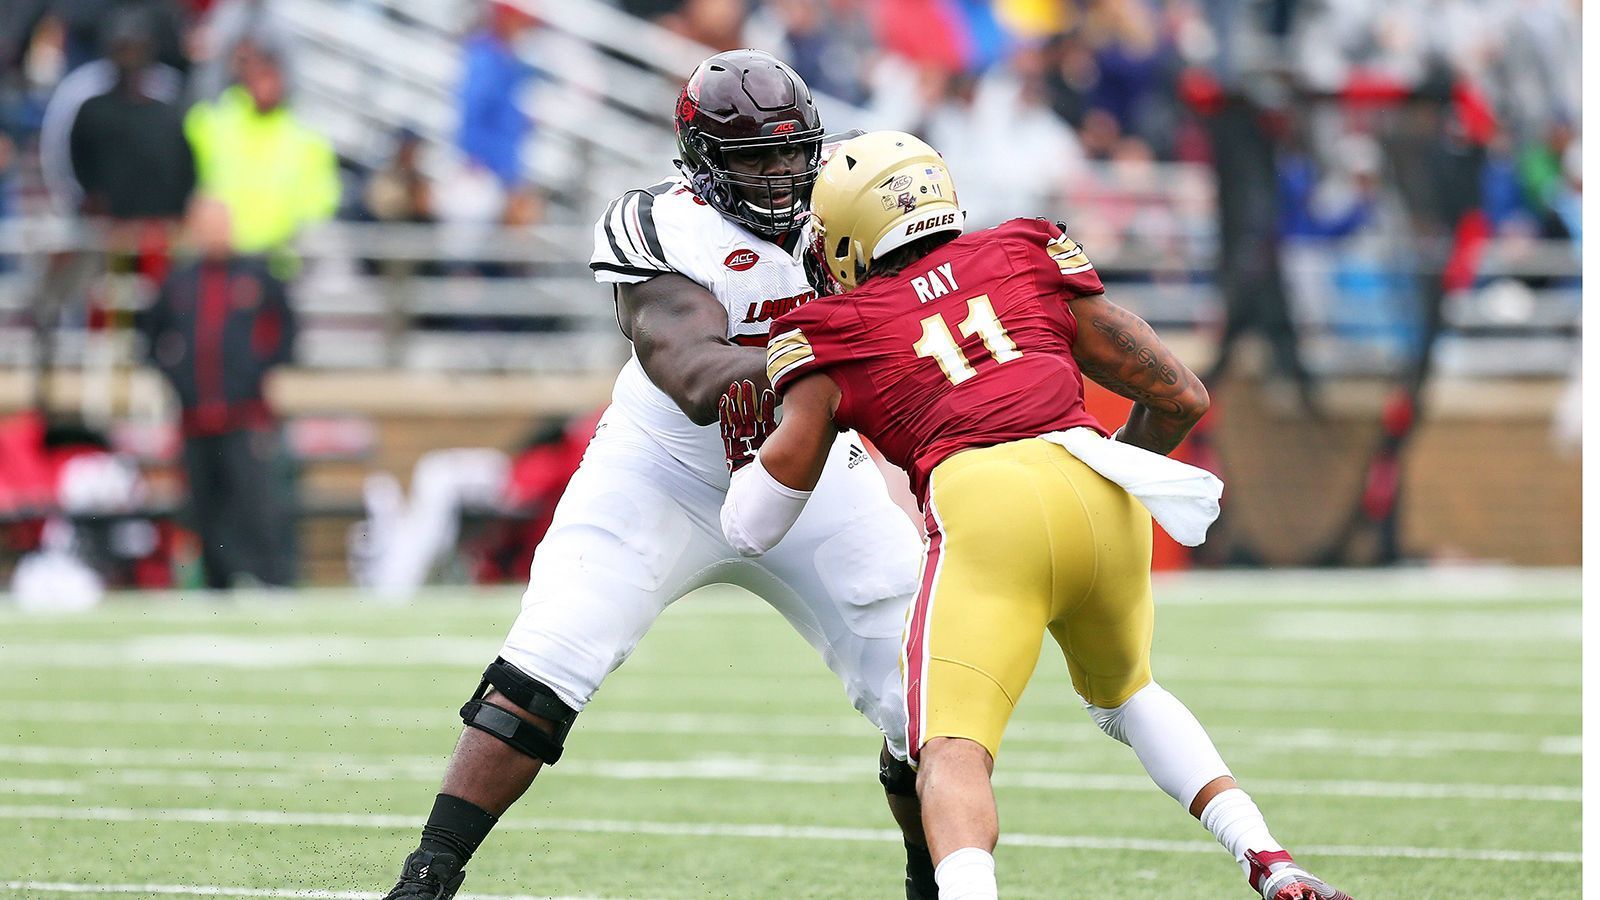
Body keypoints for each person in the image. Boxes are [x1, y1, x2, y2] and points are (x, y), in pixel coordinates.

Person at [718, 131, 1353, 900]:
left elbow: (751, 527)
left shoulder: (834, 329)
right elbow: (1182, 395)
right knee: (1130, 696)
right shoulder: (1024, 251)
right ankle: (1270, 861)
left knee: (951, 752)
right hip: (1097, 482)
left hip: (984, 506)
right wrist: (1100, 471)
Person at [379, 51, 937, 900]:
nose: (783, 175)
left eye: (795, 152)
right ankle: (429, 873)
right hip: (663, 474)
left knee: (924, 698)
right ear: (703, 162)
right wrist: (836, 349)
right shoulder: (657, 223)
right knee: (540, 670)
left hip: (813, 475)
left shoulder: (849, 209)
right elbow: (694, 377)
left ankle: (931, 877)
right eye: (756, 157)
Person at [138, 197, 295, 589]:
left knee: (254, 504)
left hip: (243, 417)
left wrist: (254, 372)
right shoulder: (178, 282)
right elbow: (151, 337)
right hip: (194, 421)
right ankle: (217, 584)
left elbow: (285, 332)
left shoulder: (256, 277)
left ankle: (270, 580)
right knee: (204, 508)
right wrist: (177, 378)